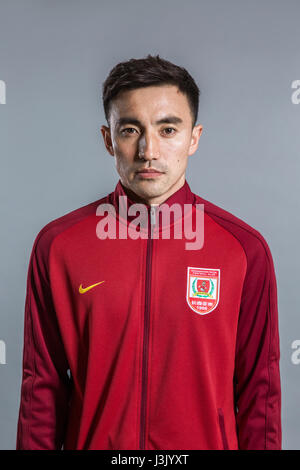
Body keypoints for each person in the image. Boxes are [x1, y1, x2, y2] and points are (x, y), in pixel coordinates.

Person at [16, 54, 281, 450]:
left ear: (194, 137)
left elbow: (260, 392)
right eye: (130, 130)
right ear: (109, 139)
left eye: (168, 129)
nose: (148, 150)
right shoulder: (58, 246)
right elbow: (42, 391)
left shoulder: (243, 250)